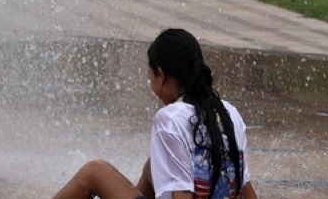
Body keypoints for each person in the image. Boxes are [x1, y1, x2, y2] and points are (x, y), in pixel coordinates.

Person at [51, 29, 258, 199]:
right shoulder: (228, 112)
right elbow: (244, 186)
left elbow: (182, 195)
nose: (151, 84)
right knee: (153, 166)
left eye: (150, 76)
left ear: (160, 74)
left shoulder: (170, 119)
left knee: (94, 171)